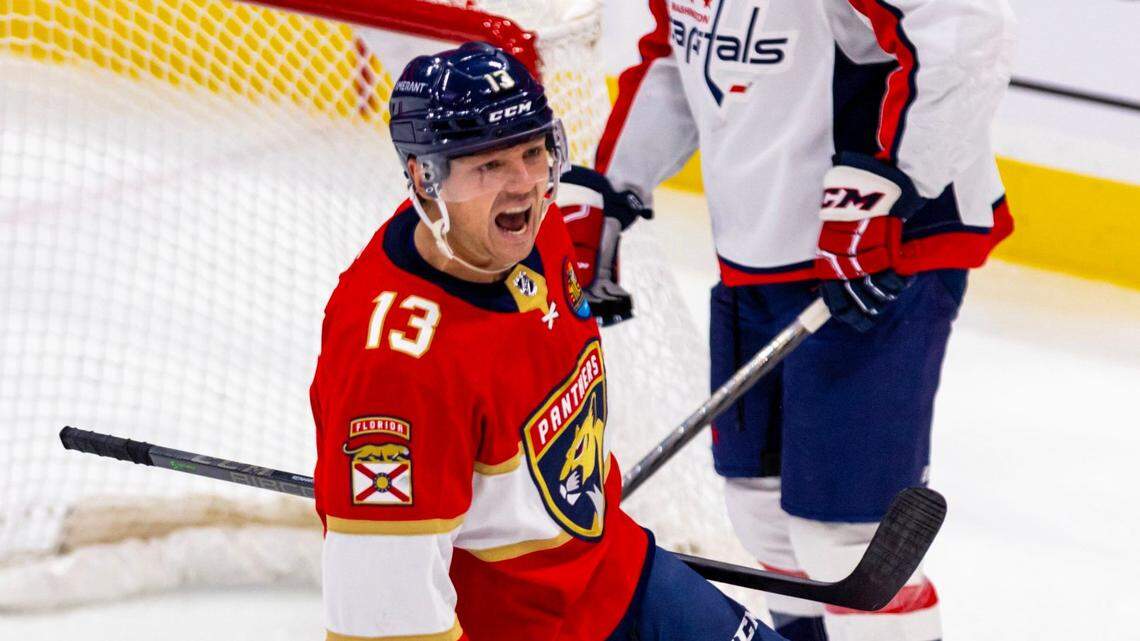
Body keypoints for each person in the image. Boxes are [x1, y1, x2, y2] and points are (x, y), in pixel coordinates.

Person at [566, 2, 1017, 640]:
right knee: (760, 516)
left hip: (883, 252)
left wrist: (894, 181)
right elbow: (681, 53)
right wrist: (611, 185)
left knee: (847, 541)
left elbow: (966, 27)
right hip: (757, 249)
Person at [308, 42, 785, 641]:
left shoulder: (538, 232)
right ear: (423, 178)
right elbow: (384, 615)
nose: (527, 186)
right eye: (489, 165)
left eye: (535, 153)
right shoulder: (395, 369)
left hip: (616, 572)